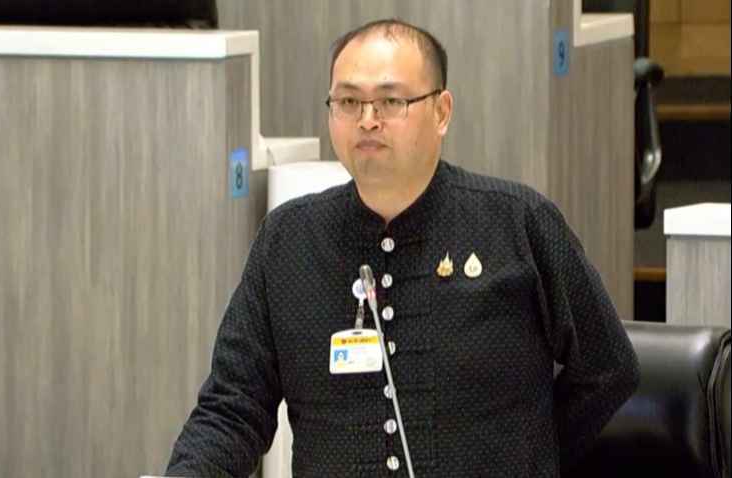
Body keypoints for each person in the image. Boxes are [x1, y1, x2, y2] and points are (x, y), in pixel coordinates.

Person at [166, 19, 639, 477]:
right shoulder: (288, 240)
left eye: (391, 101)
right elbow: (233, 406)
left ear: (441, 111)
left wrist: (528, 459)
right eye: (348, 101)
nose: (367, 120)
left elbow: (608, 368)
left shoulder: (518, 223)